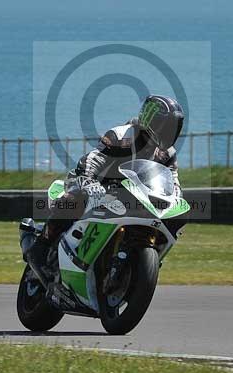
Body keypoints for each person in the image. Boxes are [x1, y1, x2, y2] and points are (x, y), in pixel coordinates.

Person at [25, 94, 185, 281]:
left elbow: (173, 182)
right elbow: (93, 159)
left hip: (131, 196)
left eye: (174, 127)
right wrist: (89, 180)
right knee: (75, 199)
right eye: (166, 126)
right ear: (151, 120)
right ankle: (41, 247)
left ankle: (139, 264)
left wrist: (176, 200)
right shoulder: (122, 135)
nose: (170, 131)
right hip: (94, 184)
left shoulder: (167, 154)